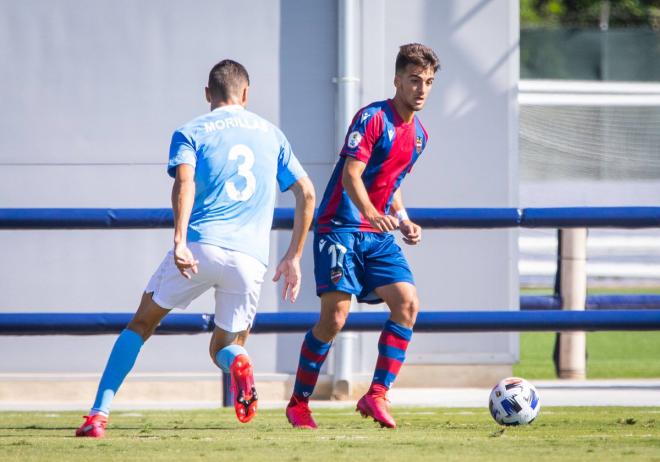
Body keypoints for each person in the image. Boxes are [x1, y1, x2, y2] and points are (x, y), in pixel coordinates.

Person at [76, 59, 315, 437]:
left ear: (208, 93)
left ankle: (98, 414)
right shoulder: (272, 134)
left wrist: (179, 240)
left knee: (141, 323)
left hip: (201, 246)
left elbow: (183, 184)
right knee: (224, 346)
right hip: (249, 258)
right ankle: (238, 360)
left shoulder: (191, 131)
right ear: (246, 94)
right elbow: (307, 192)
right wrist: (294, 256)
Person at [285, 43, 439, 429]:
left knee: (408, 303)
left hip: (378, 234)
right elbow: (353, 174)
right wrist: (372, 212)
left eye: (429, 82)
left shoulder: (419, 136)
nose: (421, 89)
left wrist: (402, 218)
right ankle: (299, 402)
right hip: (339, 227)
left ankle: (376, 395)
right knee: (334, 319)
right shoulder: (372, 118)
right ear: (397, 80)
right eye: (415, 80)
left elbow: (392, 183)